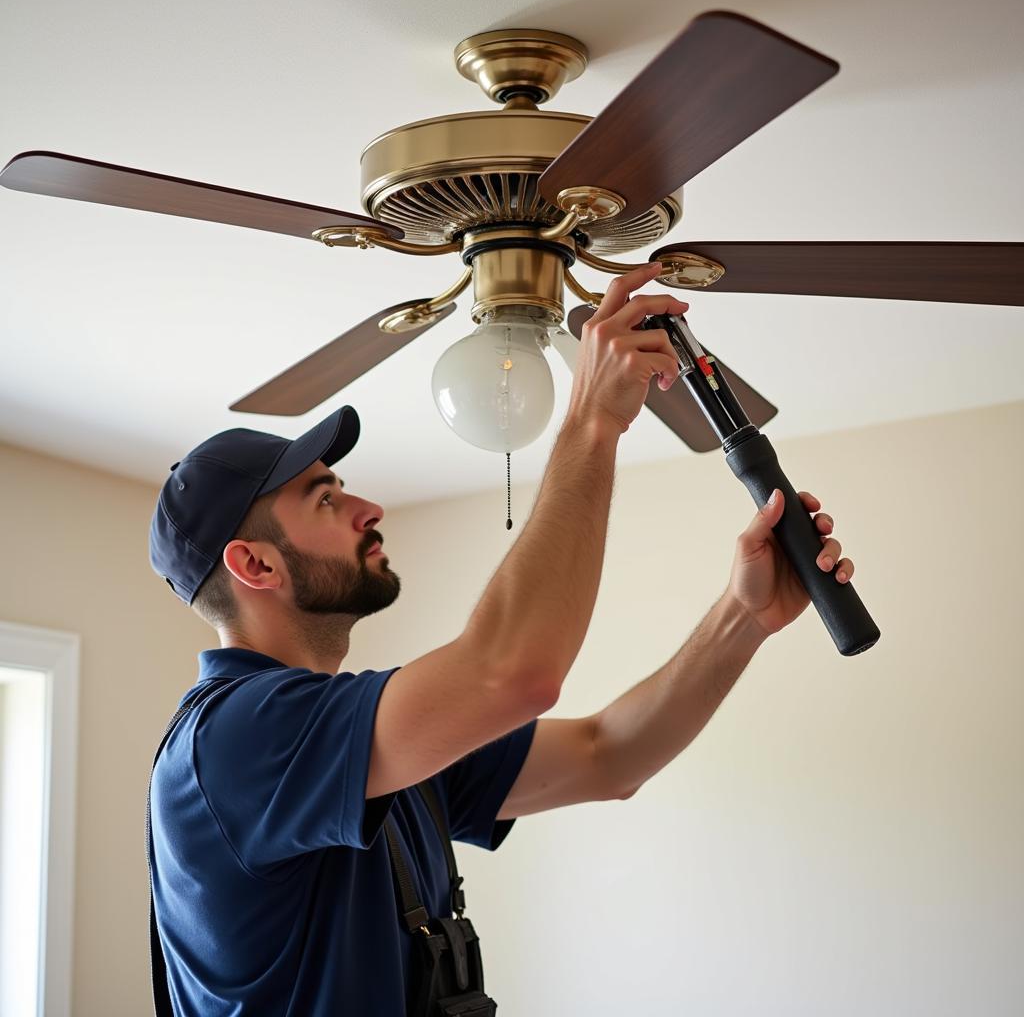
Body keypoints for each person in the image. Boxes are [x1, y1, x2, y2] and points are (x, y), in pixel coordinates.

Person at [148, 262, 855, 1016]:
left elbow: (607, 756)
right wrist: (591, 421)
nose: (368, 506)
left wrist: (743, 618)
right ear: (253, 564)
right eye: (326, 498)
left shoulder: (359, 737)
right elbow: (514, 672)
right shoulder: (234, 740)